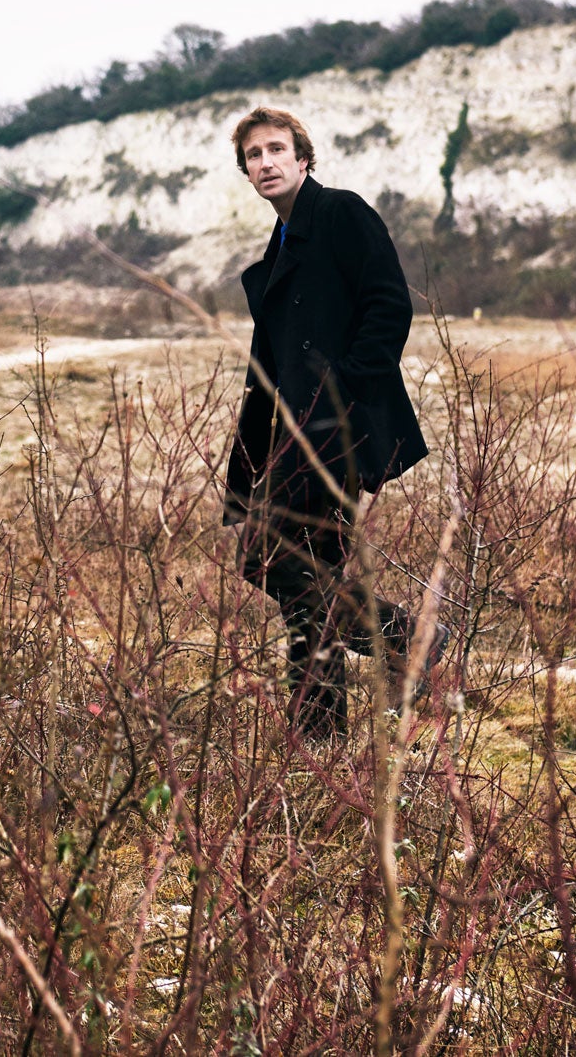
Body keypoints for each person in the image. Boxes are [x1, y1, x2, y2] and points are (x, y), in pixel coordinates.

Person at [221, 106, 442, 739]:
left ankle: (410, 634)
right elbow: (267, 369)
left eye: (275, 150)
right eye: (253, 156)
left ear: (303, 158)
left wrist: (341, 391)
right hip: (292, 434)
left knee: (271, 556)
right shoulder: (281, 245)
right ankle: (317, 734)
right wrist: (247, 471)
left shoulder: (343, 214)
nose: (265, 162)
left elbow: (389, 306)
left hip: (337, 430)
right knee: (305, 582)